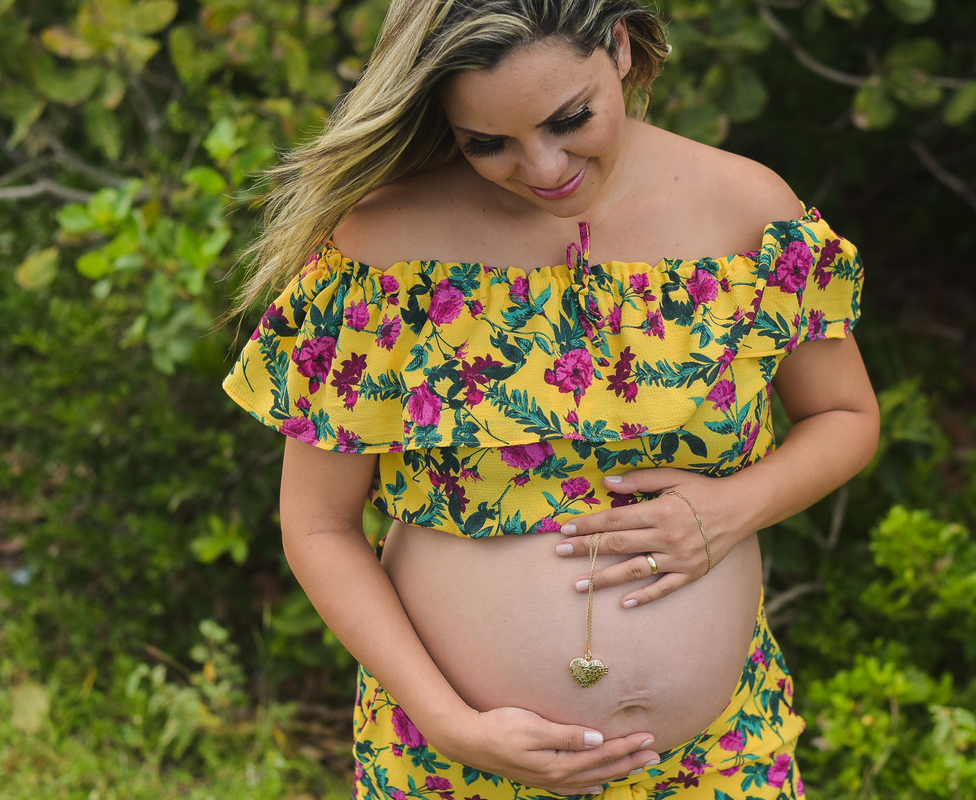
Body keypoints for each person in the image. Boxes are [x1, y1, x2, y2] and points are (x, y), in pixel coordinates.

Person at [223, 1, 880, 797]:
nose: (542, 167)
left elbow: (845, 417)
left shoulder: (747, 213)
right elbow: (319, 527)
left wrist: (734, 508)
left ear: (621, 47)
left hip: (721, 755)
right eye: (487, 143)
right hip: (457, 765)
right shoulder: (383, 247)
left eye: (570, 120)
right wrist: (449, 723)